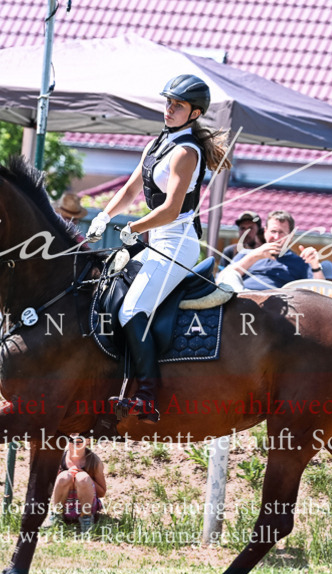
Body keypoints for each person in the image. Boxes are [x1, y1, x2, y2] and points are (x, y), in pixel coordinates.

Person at [84, 74, 230, 422]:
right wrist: (104, 215)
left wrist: (134, 226)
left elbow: (172, 209)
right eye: (168, 102)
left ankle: (148, 395)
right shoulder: (157, 145)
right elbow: (133, 188)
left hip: (178, 244)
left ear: (194, 114)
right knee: (107, 289)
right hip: (155, 242)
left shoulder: (185, 153)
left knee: (131, 310)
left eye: (177, 106)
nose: (169, 109)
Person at [218, 210, 311, 290]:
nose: (276, 237)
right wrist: (255, 256)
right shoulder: (244, 254)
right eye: (273, 231)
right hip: (241, 298)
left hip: (277, 303)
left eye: (281, 232)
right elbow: (222, 279)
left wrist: (315, 265)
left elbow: (317, 290)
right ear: (265, 232)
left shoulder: (299, 262)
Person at [40, 436, 106, 535]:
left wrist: (88, 479)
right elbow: (47, 487)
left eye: (82, 435)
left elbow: (102, 492)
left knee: (82, 478)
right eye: (72, 435)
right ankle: (57, 515)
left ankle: (86, 519)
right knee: (64, 476)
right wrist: (64, 476)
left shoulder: (93, 460)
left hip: (86, 507)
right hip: (65, 506)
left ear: (88, 440)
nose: (76, 438)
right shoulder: (59, 459)